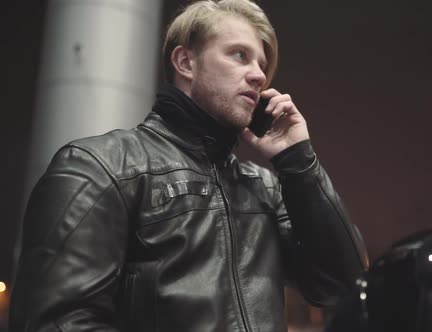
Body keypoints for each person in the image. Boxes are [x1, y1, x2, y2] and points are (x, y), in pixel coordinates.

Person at [9, 0, 368, 331]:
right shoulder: (101, 167)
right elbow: (57, 322)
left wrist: (297, 159)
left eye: (261, 65)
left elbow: (341, 287)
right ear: (185, 63)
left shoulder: (265, 187)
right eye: (239, 55)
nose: (259, 76)